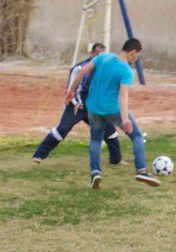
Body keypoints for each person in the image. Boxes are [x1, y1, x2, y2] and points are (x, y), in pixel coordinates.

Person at [64, 38, 160, 189]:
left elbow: (82, 72)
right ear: (133, 52)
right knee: (136, 136)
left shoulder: (103, 57)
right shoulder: (127, 71)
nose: (136, 59)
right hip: (112, 110)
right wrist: (125, 119)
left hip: (93, 108)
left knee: (95, 140)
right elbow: (123, 96)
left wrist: (71, 90)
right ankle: (141, 170)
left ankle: (95, 173)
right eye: (137, 56)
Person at [32, 43, 122, 166]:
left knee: (109, 130)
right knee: (62, 128)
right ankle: (39, 155)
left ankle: (116, 160)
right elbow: (72, 89)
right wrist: (77, 102)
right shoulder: (79, 68)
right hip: (76, 105)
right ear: (92, 53)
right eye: (98, 54)